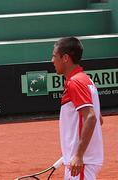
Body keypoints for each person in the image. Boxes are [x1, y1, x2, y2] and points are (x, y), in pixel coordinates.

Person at [51, 37, 104, 179]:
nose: (52, 61)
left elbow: (91, 117)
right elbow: (99, 118)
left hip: (82, 162)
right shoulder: (86, 80)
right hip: (82, 160)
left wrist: (79, 154)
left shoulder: (75, 82)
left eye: (54, 56)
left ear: (65, 58)